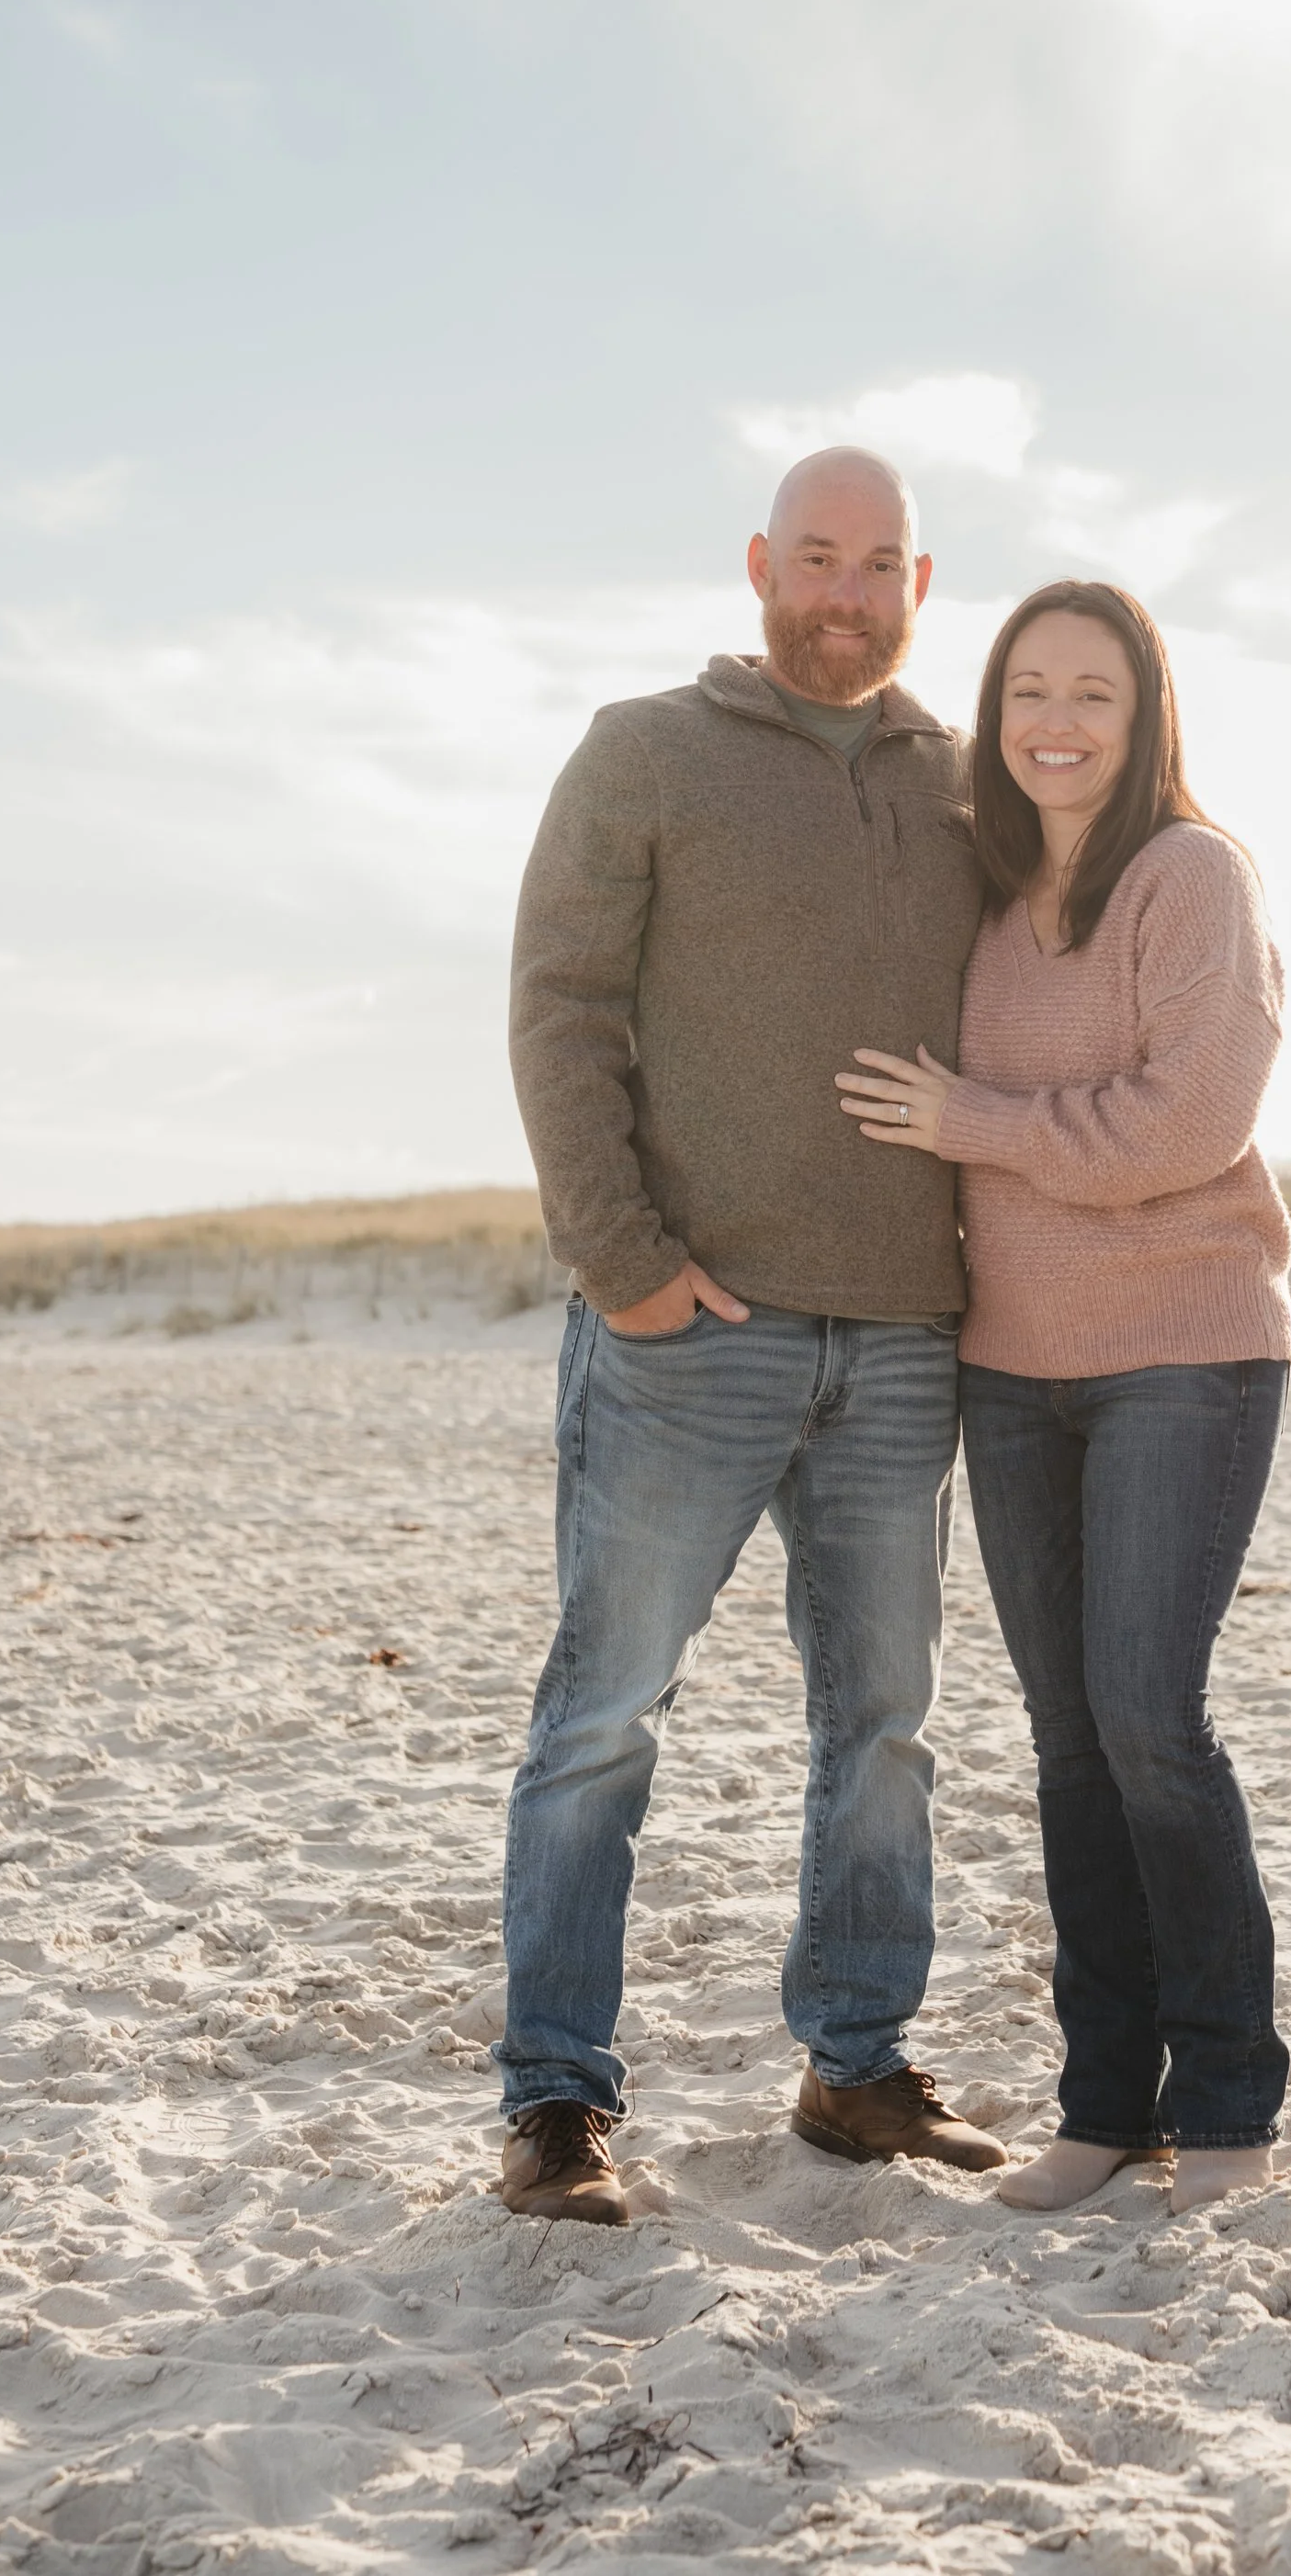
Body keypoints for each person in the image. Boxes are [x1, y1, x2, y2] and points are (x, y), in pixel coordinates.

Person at [497, 446, 1010, 2222]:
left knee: (884, 1724)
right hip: (687, 1332)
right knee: (604, 1713)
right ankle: (556, 2101)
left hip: (905, 1335)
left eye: (877, 563)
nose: (844, 593)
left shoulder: (970, 783)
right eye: (816, 556)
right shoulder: (644, 751)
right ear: (759, 564)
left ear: (918, 585)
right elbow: (559, 1008)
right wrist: (624, 1263)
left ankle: (856, 2065)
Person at [837, 578, 1291, 2217]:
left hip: (1183, 1346)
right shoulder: (983, 893)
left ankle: (1227, 2100)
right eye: (1029, 688)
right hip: (1013, 1368)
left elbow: (1188, 1121)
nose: (1057, 720)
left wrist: (976, 1120)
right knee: (1069, 1747)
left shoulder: (1192, 875)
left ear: (1144, 711)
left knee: (1151, 1722)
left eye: (1093, 691)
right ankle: (1107, 2106)